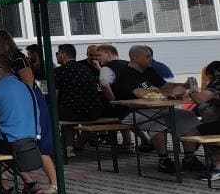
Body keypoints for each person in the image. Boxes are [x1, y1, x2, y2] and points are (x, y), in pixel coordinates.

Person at [112, 45, 202, 174]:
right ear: (135, 57)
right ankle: (163, 160)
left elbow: (164, 85)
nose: (151, 59)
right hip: (130, 111)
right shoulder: (125, 74)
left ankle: (189, 158)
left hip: (156, 109)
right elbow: (142, 94)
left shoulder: (149, 70)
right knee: (157, 121)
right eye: (148, 56)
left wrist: (183, 85)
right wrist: (171, 93)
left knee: (187, 116)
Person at [0, 54, 53, 194]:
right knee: (3, 149)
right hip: (31, 137)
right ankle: (29, 183)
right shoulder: (26, 86)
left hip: (11, 140)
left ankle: (5, 187)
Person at [54, 43, 106, 122]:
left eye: (57, 54)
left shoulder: (58, 71)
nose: (56, 56)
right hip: (93, 112)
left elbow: (54, 96)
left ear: (62, 55)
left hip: (70, 113)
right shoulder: (86, 69)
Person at [189, 61, 220, 183]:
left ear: (215, 73)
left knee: (202, 130)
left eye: (210, 78)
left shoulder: (218, 79)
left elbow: (199, 99)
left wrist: (192, 90)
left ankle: (217, 168)